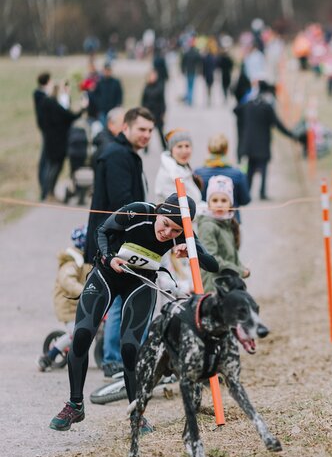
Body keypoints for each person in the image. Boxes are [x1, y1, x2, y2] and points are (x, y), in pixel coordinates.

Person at [49, 195, 219, 431]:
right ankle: (75, 404)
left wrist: (191, 251)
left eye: (175, 230)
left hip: (140, 284)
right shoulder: (138, 212)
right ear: (158, 212)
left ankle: (136, 415)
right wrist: (109, 258)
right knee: (82, 335)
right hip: (106, 275)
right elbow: (101, 231)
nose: (167, 232)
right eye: (165, 224)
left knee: (130, 347)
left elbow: (213, 265)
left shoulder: (183, 235)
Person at [85, 107, 154, 378]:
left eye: (150, 130)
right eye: (142, 129)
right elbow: (121, 203)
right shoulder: (116, 156)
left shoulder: (127, 154)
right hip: (115, 243)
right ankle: (112, 359)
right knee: (116, 301)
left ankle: (128, 355)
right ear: (125, 128)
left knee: (129, 299)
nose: (147, 135)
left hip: (124, 242)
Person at [38, 227, 90, 371]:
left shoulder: (84, 260)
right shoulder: (72, 263)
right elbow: (68, 281)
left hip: (77, 304)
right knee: (75, 333)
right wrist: (86, 292)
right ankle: (49, 356)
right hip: (68, 305)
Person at [236, 82, 297, 200]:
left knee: (250, 168)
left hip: (249, 143)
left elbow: (236, 110)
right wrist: (291, 135)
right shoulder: (267, 107)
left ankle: (248, 192)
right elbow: (278, 125)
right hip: (263, 143)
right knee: (263, 169)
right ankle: (262, 193)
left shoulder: (248, 105)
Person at [34, 73, 87, 201]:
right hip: (58, 141)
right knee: (54, 167)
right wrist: (83, 108)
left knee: (51, 166)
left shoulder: (47, 103)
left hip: (51, 139)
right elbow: (70, 116)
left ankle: (47, 192)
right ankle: (49, 192)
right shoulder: (54, 105)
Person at [198, 176, 249, 293]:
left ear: (230, 203)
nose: (219, 205)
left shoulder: (227, 222)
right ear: (208, 203)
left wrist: (241, 267)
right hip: (213, 286)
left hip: (227, 282)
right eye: (215, 200)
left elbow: (232, 256)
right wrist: (239, 271)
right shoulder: (208, 226)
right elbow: (211, 258)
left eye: (224, 200)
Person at [193, 133, 251, 221]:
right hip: (232, 221)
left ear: (208, 149)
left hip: (206, 220)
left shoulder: (197, 173)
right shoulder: (238, 174)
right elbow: (245, 200)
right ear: (227, 150)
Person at [153, 129, 202, 204]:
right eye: (179, 146)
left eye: (187, 146)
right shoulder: (170, 174)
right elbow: (183, 207)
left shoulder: (183, 167)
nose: (184, 151)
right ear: (171, 150)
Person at [141, 69, 167, 150]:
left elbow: (162, 101)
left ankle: (164, 146)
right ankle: (146, 147)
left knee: (160, 131)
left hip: (158, 113)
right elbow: (143, 101)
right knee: (147, 132)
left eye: (154, 76)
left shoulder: (160, 86)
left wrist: (163, 112)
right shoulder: (146, 87)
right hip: (148, 113)